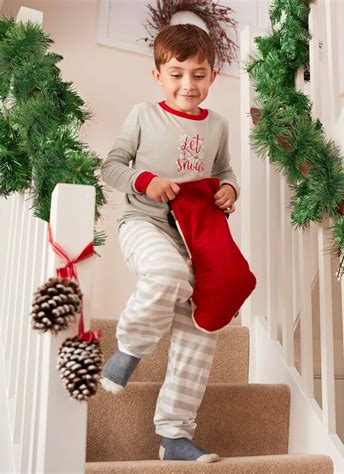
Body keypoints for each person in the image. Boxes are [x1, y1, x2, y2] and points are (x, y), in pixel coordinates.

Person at [100, 23, 240, 463]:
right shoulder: (144, 114)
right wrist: (146, 180)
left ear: (212, 77)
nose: (188, 85)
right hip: (144, 223)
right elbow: (112, 166)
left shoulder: (217, 125)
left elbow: (224, 171)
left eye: (199, 75)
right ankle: (128, 350)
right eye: (177, 73)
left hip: (196, 237)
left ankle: (175, 435)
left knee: (203, 326)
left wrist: (230, 190)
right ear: (159, 75)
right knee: (167, 273)